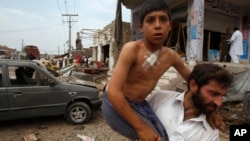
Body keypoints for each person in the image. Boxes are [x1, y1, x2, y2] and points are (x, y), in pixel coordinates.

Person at [102, 0, 224, 140]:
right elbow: (113, 91)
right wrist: (141, 128)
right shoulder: (132, 49)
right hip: (115, 101)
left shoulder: (170, 56)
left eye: (163, 19)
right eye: (151, 20)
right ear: (141, 27)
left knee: (163, 136)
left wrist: (209, 111)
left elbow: (193, 81)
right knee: (153, 137)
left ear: (170, 25)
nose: (158, 25)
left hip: (140, 104)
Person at [147, 63, 233, 141]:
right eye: (214, 94)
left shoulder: (211, 132)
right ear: (193, 85)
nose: (219, 103)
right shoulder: (159, 99)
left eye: (222, 96)